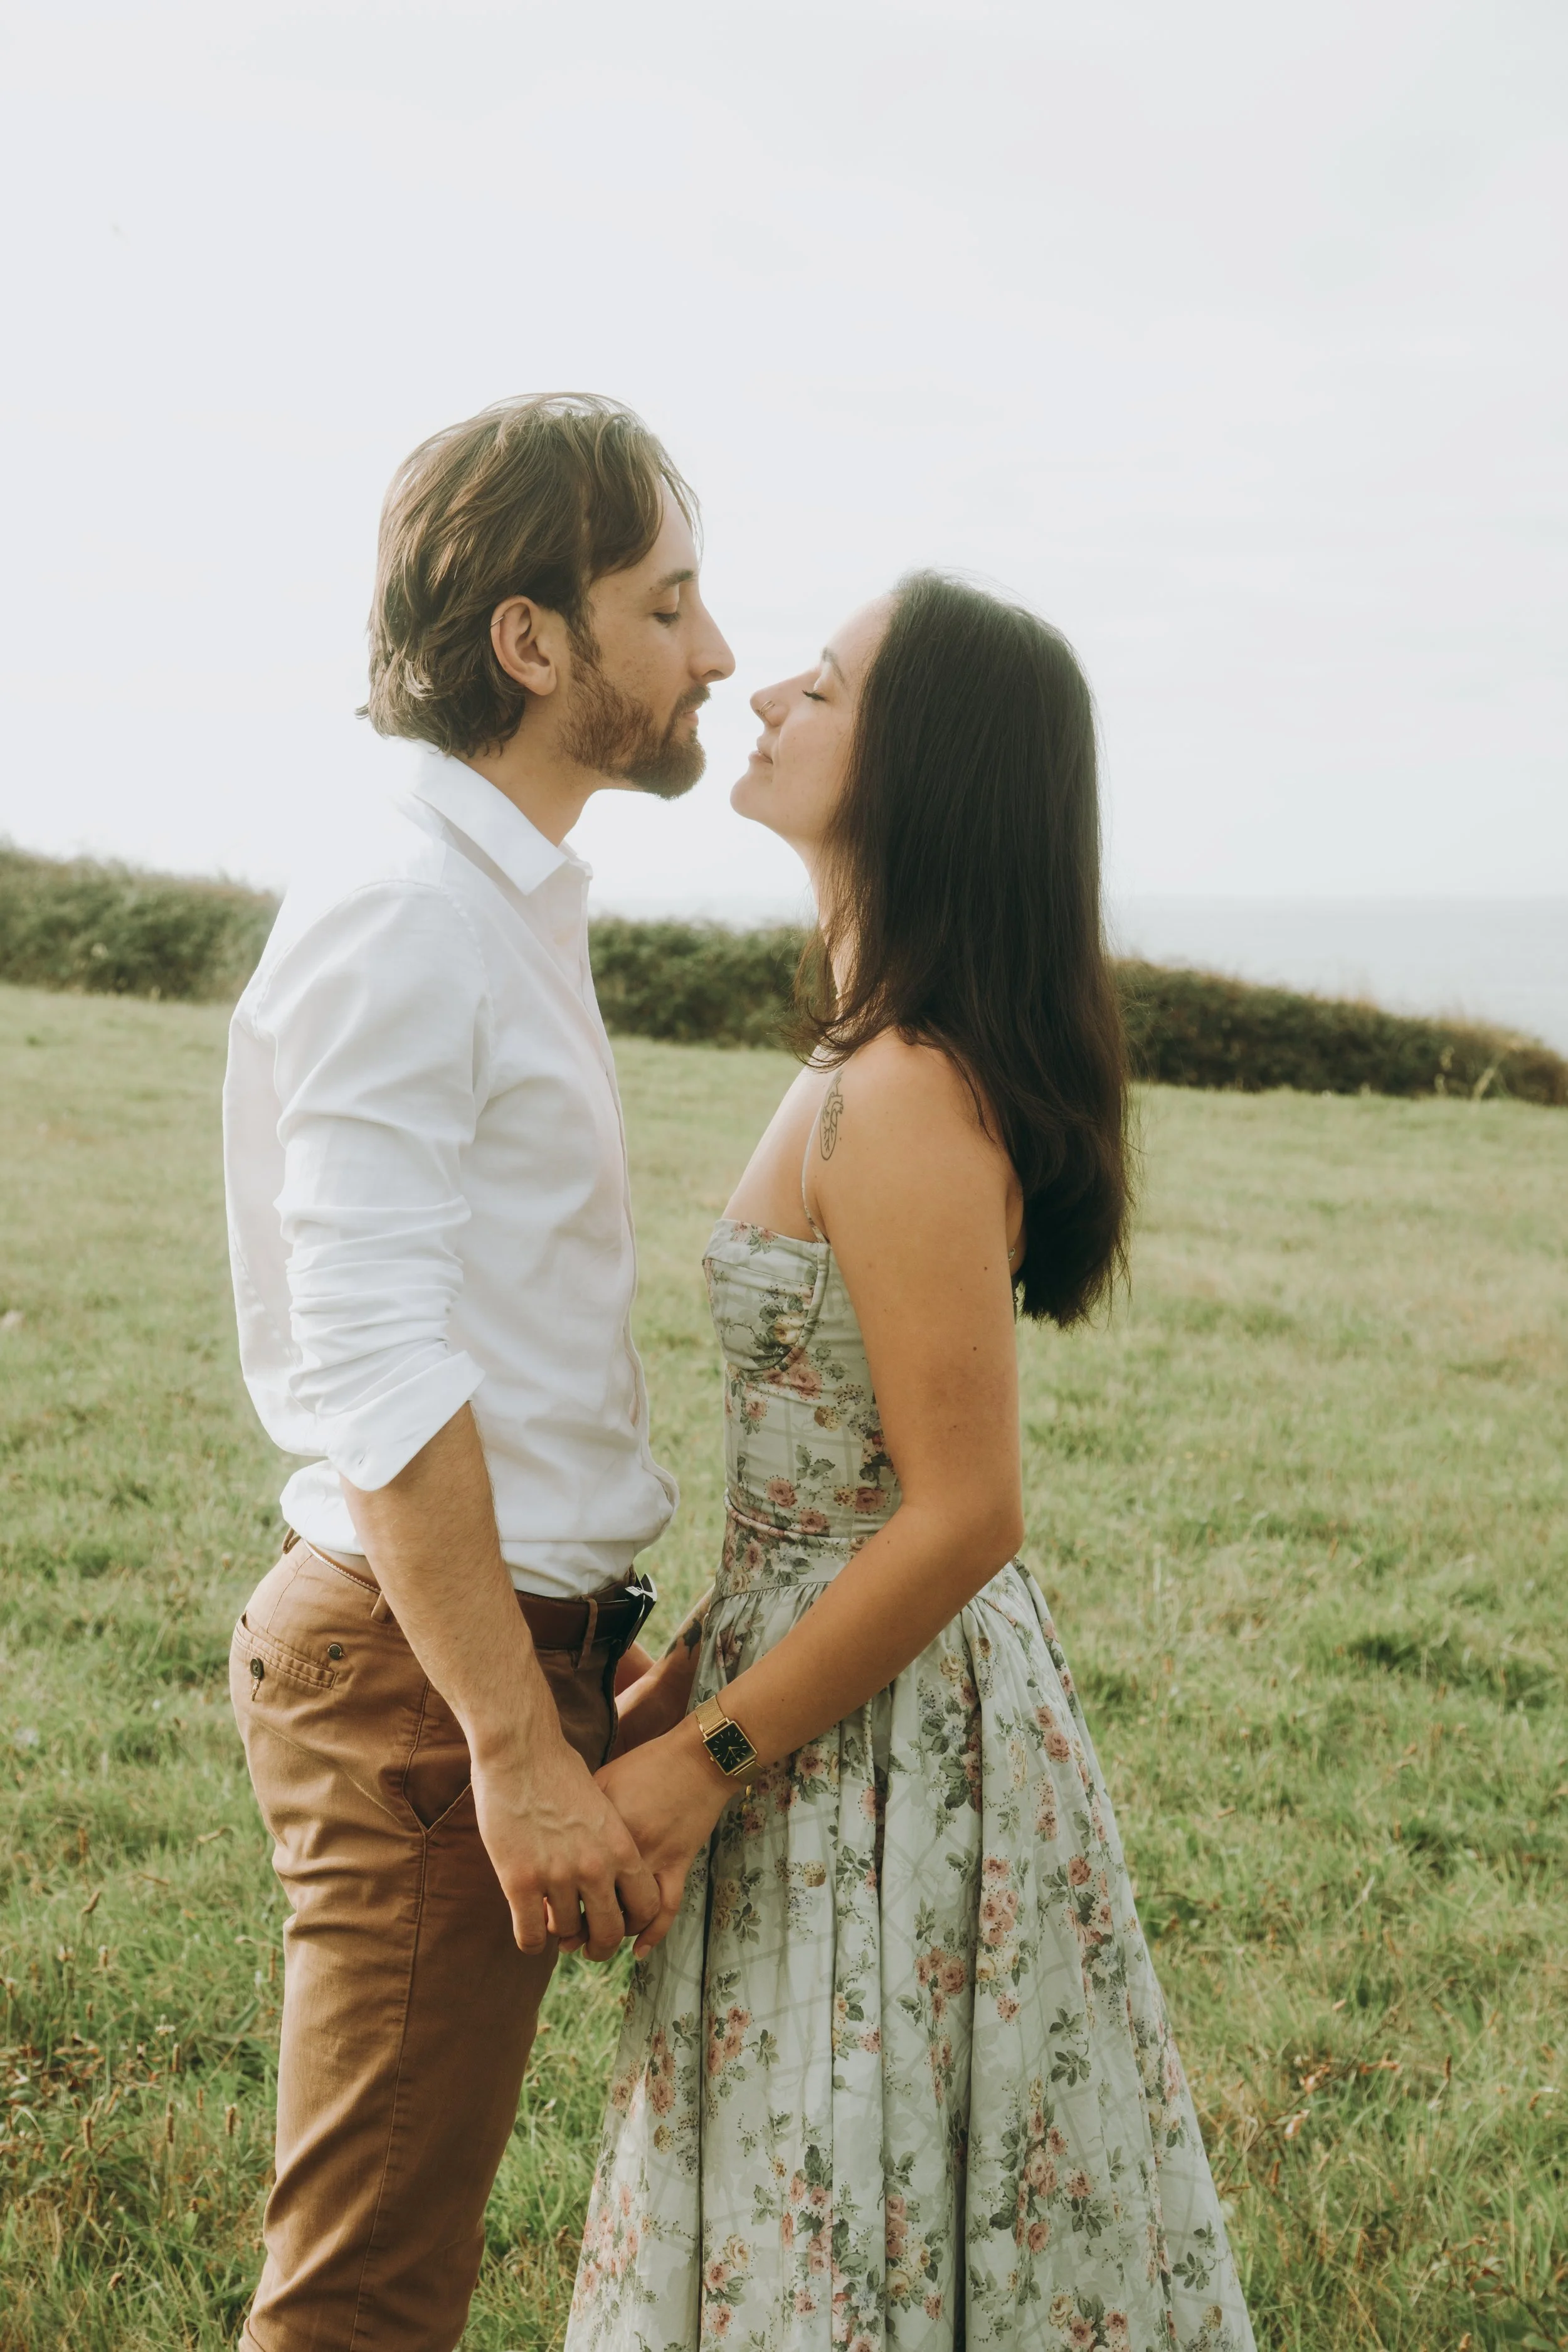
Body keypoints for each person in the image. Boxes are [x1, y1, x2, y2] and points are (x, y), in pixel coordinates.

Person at [567, 575, 1255, 2351]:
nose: (768, 689)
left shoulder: (908, 1094)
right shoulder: (859, 1064)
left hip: (885, 1752)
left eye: (832, 680)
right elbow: (840, 1483)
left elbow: (961, 1512)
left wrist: (709, 1752)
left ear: (928, 770)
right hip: (824, 1683)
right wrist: (685, 1670)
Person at [221, 393, 734, 2352]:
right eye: (668, 600)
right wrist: (518, 1745)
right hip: (437, 1693)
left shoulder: (499, 893)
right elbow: (372, 1350)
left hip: (522, 1654)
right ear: (535, 641)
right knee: (364, 2297)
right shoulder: (411, 910)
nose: (714, 649)